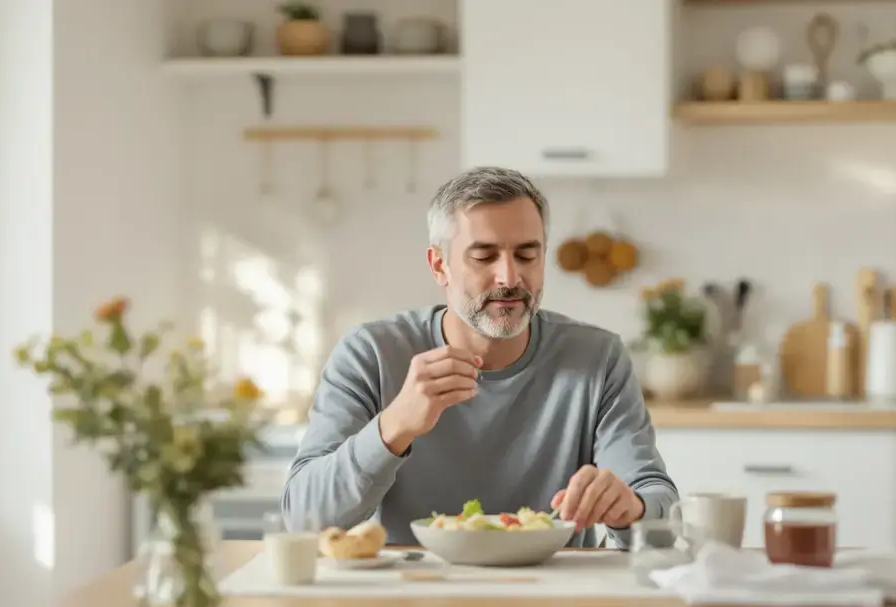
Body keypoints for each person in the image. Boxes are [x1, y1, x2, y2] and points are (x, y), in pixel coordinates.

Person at [280, 166, 678, 548]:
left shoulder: (597, 358)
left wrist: (632, 508)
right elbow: (303, 517)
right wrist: (394, 426)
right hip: (412, 593)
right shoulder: (371, 354)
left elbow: (659, 513)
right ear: (440, 266)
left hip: (554, 596)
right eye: (484, 257)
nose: (509, 278)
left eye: (526, 255)